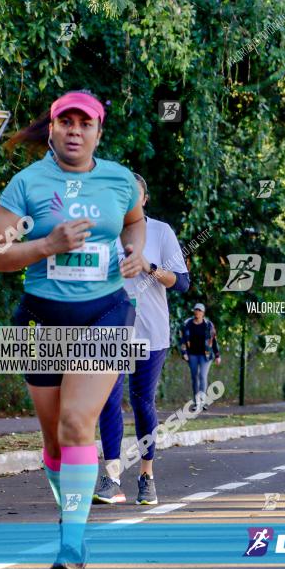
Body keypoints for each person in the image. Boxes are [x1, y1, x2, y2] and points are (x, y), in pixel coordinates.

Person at [0, 90, 145, 569]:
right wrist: (46, 245)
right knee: (55, 440)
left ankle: (72, 544)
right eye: (66, 122)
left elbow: (135, 222)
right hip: (40, 318)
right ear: (52, 130)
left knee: (79, 424)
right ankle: (70, 512)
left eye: (85, 123)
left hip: (105, 313)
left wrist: (134, 253)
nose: (75, 130)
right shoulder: (26, 183)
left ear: (99, 131)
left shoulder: (120, 180)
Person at [93, 173, 190, 506]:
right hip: (112, 330)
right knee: (108, 402)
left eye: (133, 195)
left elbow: (181, 283)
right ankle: (111, 478)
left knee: (142, 403)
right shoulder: (101, 233)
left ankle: (146, 475)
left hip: (151, 332)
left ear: (144, 199)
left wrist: (148, 267)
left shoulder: (161, 232)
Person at [180, 303, 221, 408]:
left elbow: (214, 340)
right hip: (192, 354)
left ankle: (202, 401)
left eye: (200, 310)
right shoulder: (187, 324)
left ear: (203, 313)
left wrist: (217, 355)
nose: (197, 312)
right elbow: (182, 339)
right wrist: (184, 353)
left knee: (202, 376)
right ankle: (196, 402)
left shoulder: (208, 325)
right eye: (196, 310)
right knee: (195, 377)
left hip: (206, 355)